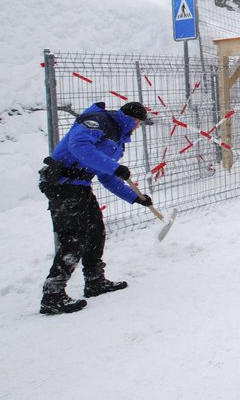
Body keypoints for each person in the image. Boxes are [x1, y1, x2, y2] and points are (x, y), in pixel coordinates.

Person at [37, 101, 155, 315]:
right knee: (73, 237)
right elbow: (78, 145)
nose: (138, 128)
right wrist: (115, 167)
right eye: (138, 123)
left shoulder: (118, 136)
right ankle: (53, 295)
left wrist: (136, 198)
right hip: (62, 185)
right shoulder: (100, 121)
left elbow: (107, 176)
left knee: (95, 232)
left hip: (80, 186)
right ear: (134, 120)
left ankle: (94, 281)